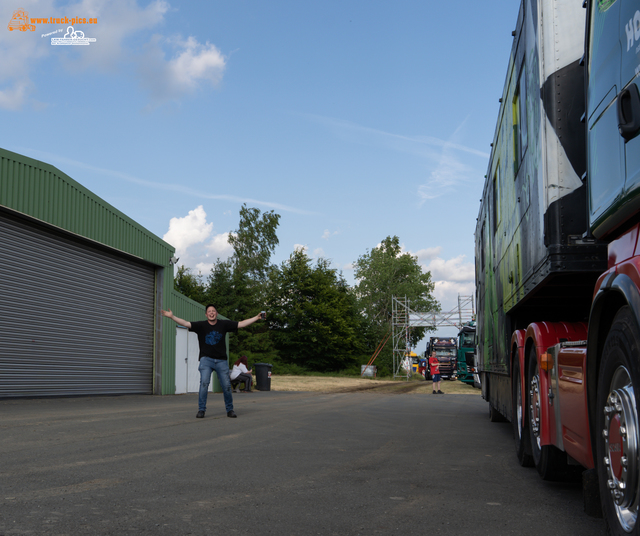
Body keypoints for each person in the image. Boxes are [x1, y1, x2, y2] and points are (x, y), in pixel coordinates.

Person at [161, 305, 264, 418]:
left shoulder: (223, 324)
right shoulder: (201, 325)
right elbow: (185, 323)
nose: (211, 313)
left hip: (221, 361)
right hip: (206, 360)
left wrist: (256, 317)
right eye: (209, 311)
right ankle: (201, 410)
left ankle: (230, 410)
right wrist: (172, 317)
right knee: (204, 384)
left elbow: (241, 324)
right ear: (206, 314)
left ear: (216, 313)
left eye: (213, 311)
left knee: (226, 386)